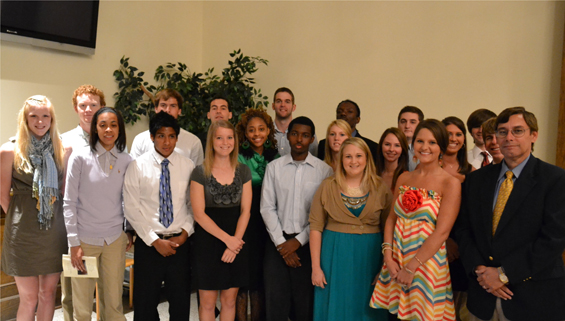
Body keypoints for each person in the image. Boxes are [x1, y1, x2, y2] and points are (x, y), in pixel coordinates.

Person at [457, 107, 565, 321]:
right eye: (502, 131)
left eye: (517, 131)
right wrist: (481, 271)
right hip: (482, 296)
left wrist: (503, 274)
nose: (508, 138)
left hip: (532, 298)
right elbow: (463, 229)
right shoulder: (476, 180)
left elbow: (553, 239)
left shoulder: (555, 179)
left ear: (533, 135)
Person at [371, 119, 461, 321]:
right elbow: (391, 220)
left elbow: (442, 232)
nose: (425, 147)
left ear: (441, 147)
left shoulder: (451, 183)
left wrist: (412, 267)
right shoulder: (404, 177)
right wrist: (388, 256)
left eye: (432, 142)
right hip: (397, 260)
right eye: (420, 141)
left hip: (426, 265)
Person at [1, 95, 70, 321]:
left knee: (48, 294)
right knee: (29, 298)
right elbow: (2, 196)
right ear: (25, 119)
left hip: (53, 232)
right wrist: (25, 215)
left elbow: (62, 191)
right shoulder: (9, 150)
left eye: (45, 116)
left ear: (52, 119)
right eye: (34, 116)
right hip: (22, 234)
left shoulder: (63, 149)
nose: (40, 121)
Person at [310, 137, 391, 321]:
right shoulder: (327, 186)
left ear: (367, 159)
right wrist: (316, 267)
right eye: (348, 156)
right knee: (336, 306)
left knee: (366, 309)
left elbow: (389, 228)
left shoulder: (381, 188)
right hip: (334, 256)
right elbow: (315, 227)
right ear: (340, 159)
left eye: (358, 156)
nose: (353, 161)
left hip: (370, 257)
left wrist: (384, 267)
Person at [63, 107, 133, 321]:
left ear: (120, 128)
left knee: (113, 304)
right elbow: (69, 202)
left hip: (114, 240)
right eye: (103, 125)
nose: (108, 129)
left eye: (113, 124)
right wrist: (74, 243)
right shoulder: (80, 157)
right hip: (84, 243)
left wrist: (128, 231)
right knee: (82, 306)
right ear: (95, 128)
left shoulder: (127, 160)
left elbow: (128, 200)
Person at [123, 112, 195, 321]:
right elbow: (131, 208)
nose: (166, 141)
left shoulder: (188, 166)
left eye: (171, 136)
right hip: (149, 244)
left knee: (180, 302)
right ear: (152, 137)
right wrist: (155, 241)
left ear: (177, 138)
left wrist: (184, 234)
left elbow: (193, 206)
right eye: (161, 136)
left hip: (179, 244)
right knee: (145, 304)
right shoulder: (136, 166)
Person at [261, 116, 333, 321]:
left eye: (305, 135)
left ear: (312, 139)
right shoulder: (274, 168)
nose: (299, 139)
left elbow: (323, 215)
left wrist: (298, 241)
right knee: (275, 304)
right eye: (294, 134)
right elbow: (267, 208)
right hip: (277, 244)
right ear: (287, 136)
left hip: (309, 245)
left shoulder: (324, 171)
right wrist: (282, 243)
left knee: (304, 306)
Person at [190, 120, 252, 321]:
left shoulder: (243, 171)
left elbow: (246, 211)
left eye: (229, 137)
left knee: (229, 301)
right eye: (219, 137)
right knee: (207, 304)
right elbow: (199, 214)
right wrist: (228, 240)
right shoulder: (200, 172)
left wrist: (235, 244)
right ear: (211, 141)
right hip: (208, 244)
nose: (225, 142)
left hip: (236, 242)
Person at [59, 84, 104, 321]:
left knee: (103, 293)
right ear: (76, 108)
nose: (88, 110)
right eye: (83, 105)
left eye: (93, 105)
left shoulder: (111, 139)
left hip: (103, 223)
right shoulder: (63, 140)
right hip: (72, 223)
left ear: (102, 107)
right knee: (71, 289)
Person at [234, 108, 279, 321]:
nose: (257, 134)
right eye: (251, 130)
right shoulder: (238, 157)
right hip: (246, 219)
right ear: (245, 133)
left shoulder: (276, 156)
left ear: (269, 131)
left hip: (268, 222)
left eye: (262, 129)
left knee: (262, 277)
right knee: (245, 276)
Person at [130, 88, 203, 166]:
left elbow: (197, 174)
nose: (168, 110)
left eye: (173, 106)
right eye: (163, 105)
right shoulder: (140, 140)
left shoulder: (193, 142)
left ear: (179, 111)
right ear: (156, 109)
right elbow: (134, 170)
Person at [318, 100, 378, 165]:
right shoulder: (324, 144)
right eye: (339, 112)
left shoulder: (371, 147)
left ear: (357, 119)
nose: (343, 114)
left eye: (349, 111)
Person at [272, 87, 318, 156]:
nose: (282, 105)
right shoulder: (265, 132)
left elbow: (314, 159)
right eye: (279, 101)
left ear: (294, 107)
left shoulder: (307, 132)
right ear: (273, 106)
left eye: (287, 101)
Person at [441, 116, 473, 182]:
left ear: (464, 138)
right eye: (449, 134)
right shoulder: (427, 168)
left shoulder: (472, 171)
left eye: (458, 135)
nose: (453, 139)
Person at [397, 106, 424, 171]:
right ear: (398, 124)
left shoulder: (425, 150)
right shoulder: (390, 149)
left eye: (412, 122)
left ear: (420, 125)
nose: (407, 126)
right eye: (403, 122)